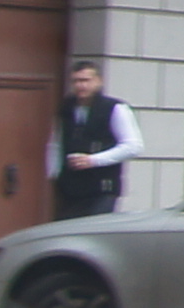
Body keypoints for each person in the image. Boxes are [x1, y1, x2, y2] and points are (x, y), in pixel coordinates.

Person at [51, 61, 145, 220]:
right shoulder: (66, 108)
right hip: (69, 189)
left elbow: (133, 146)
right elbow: (55, 144)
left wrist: (93, 160)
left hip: (102, 189)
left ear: (99, 81)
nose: (81, 86)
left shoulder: (114, 108)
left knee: (93, 228)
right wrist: (54, 174)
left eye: (86, 80)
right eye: (76, 81)